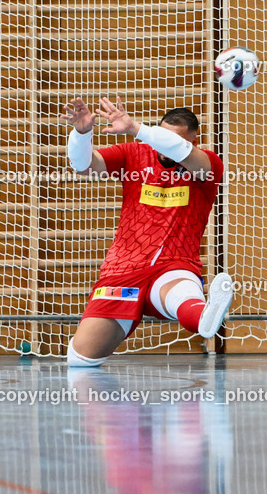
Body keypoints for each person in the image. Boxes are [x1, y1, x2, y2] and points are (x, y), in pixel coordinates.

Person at [62, 97, 234, 367]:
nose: (163, 146)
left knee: (182, 295)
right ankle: (156, 411)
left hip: (173, 266)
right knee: (80, 359)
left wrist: (135, 127)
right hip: (123, 271)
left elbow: (180, 150)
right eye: (160, 134)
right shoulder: (134, 155)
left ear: (193, 141)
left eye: (173, 139)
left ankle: (203, 316)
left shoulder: (207, 165)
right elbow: (84, 166)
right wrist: (82, 134)